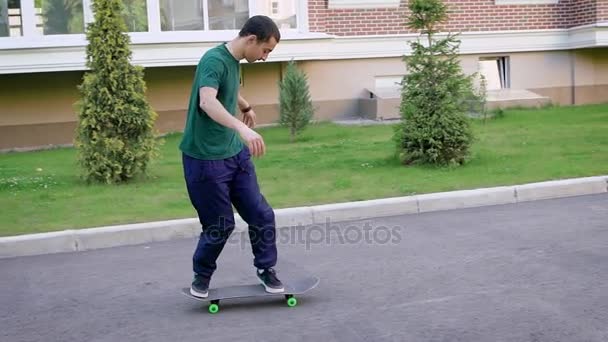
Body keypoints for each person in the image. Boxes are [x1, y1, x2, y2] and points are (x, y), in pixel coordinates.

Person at [179, 15, 284, 298]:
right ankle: (201, 276)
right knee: (220, 224)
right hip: (205, 158)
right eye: (265, 50)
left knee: (261, 214)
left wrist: (245, 106)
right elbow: (207, 100)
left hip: (233, 155)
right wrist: (241, 128)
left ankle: (266, 269)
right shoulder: (213, 60)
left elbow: (230, 88)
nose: (264, 57)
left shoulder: (233, 61)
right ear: (252, 40)